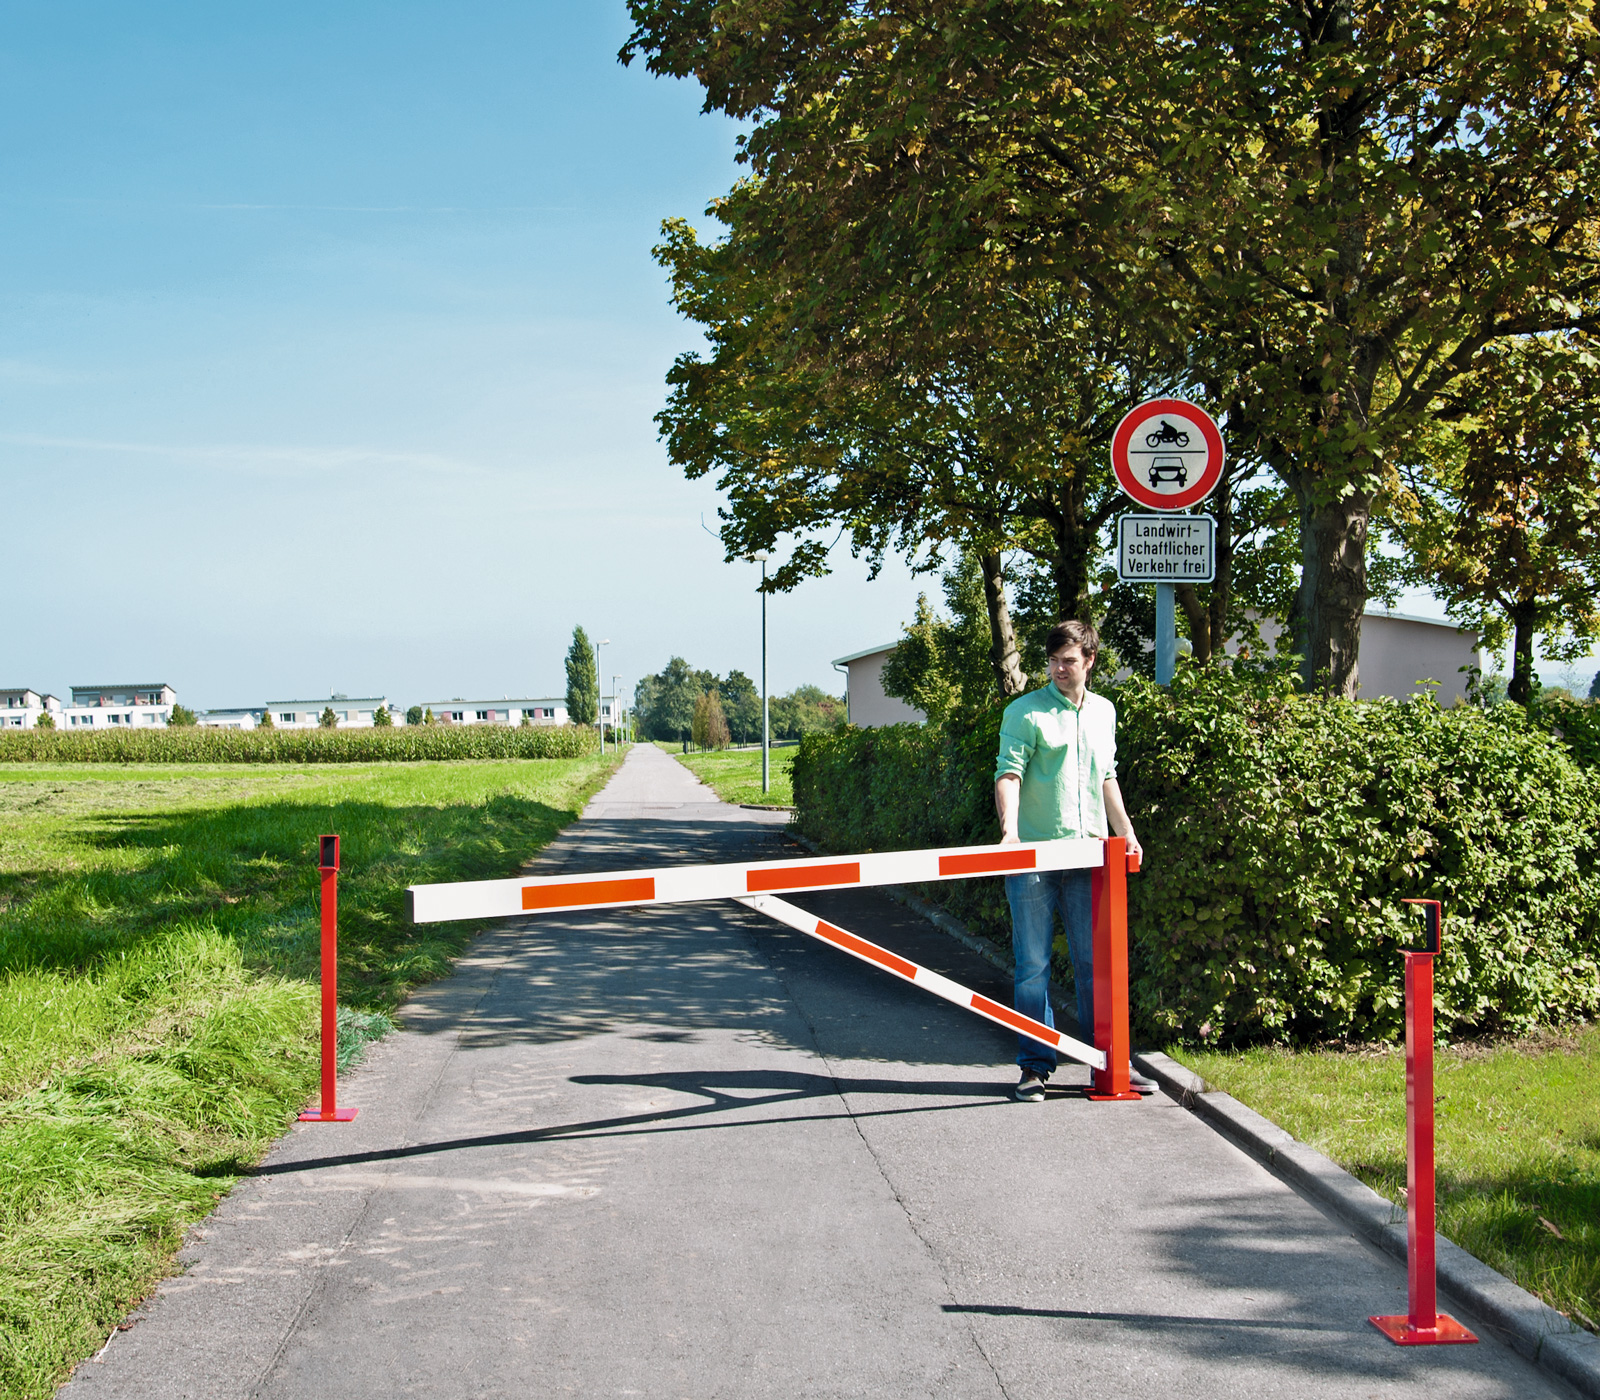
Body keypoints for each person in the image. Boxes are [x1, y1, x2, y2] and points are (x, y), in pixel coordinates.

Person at [994, 618, 1154, 1102]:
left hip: (1091, 858)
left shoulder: (1105, 711)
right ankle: (1035, 1067)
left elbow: (1107, 777)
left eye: (1069, 661)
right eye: (1053, 661)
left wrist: (1126, 833)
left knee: (1095, 965)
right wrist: (1010, 834)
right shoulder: (1025, 712)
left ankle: (1109, 1065)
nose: (1059, 669)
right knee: (1033, 966)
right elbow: (1009, 775)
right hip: (1035, 859)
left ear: (1089, 661)